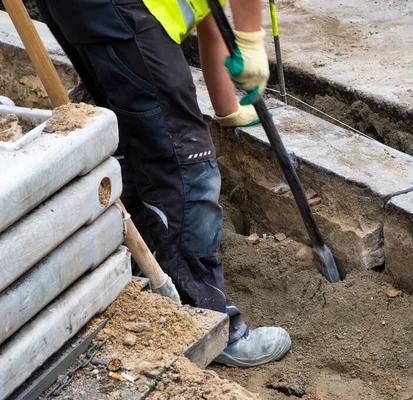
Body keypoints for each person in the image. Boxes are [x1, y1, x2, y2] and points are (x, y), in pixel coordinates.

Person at [35, 0, 291, 367]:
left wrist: (227, 108)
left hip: (83, 10)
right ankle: (209, 322)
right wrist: (250, 39)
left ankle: (145, 275)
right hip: (124, 10)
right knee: (182, 159)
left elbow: (210, 18)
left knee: (134, 135)